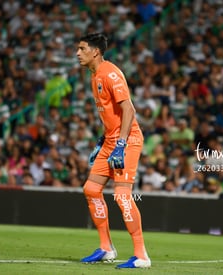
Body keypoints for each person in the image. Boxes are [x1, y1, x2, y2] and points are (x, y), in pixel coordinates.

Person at [76, 33, 151, 268]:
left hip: (126, 141)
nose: (78, 53)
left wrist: (120, 145)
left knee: (121, 195)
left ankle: (141, 256)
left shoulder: (110, 73)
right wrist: (102, 141)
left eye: (82, 49)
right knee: (91, 189)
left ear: (95, 51)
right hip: (111, 140)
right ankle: (106, 248)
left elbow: (129, 110)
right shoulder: (94, 75)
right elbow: (110, 116)